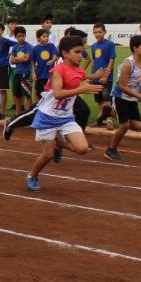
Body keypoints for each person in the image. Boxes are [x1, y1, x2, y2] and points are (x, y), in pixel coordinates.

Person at [25, 36, 104, 192]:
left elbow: (81, 79)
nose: (81, 56)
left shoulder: (79, 70)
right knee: (47, 156)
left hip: (66, 117)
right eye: (77, 52)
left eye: (82, 52)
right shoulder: (58, 70)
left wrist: (96, 78)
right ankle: (32, 176)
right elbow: (58, 94)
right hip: (48, 116)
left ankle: (59, 143)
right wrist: (83, 89)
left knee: (82, 149)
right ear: (65, 53)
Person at [104, 35, 141, 160]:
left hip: (132, 99)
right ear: (135, 48)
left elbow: (138, 81)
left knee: (138, 127)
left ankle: (109, 112)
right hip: (120, 96)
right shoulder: (128, 64)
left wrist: (138, 96)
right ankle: (111, 149)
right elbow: (123, 86)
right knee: (124, 125)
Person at [90, 23, 117, 126]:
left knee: (106, 100)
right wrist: (92, 76)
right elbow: (95, 61)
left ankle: (109, 120)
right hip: (96, 78)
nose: (98, 34)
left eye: (100, 32)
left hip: (106, 78)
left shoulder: (110, 44)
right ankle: (100, 120)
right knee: (99, 100)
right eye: (95, 32)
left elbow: (111, 60)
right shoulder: (93, 46)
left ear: (105, 32)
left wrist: (106, 75)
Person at [9, 26, 33, 115]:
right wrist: (20, 58)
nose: (21, 38)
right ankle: (17, 114)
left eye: (23, 36)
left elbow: (26, 59)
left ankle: (30, 114)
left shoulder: (29, 46)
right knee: (17, 95)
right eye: (19, 36)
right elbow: (11, 60)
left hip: (26, 74)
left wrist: (16, 58)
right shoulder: (15, 47)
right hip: (17, 73)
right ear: (15, 37)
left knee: (27, 94)